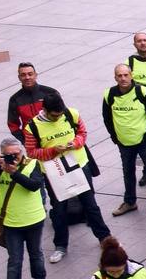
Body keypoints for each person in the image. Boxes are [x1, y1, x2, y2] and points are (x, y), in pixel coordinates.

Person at [23, 92, 111, 264]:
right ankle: (61, 245)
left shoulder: (72, 114)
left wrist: (75, 143)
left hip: (79, 164)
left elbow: (82, 133)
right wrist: (53, 150)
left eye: (60, 114)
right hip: (54, 171)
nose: (58, 117)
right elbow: (32, 152)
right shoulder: (32, 127)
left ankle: (104, 238)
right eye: (55, 115)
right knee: (59, 209)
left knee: (90, 204)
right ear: (45, 111)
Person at [0, 138, 51, 279]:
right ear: (2, 155)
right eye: (9, 155)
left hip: (34, 220)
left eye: (17, 154)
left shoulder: (32, 164)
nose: (13, 158)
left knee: (36, 254)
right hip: (10, 223)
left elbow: (34, 185)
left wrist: (14, 173)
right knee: (15, 260)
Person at [101, 63, 146, 217]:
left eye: (125, 75)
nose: (123, 78)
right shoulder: (109, 94)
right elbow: (107, 118)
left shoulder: (143, 92)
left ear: (131, 75)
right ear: (115, 77)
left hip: (143, 142)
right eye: (119, 75)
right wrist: (115, 137)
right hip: (124, 143)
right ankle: (130, 202)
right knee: (127, 172)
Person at [7, 61, 59, 138]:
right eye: (23, 75)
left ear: (36, 75)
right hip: (32, 141)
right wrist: (24, 140)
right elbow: (13, 124)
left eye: (30, 74)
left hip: (53, 137)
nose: (27, 77)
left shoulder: (50, 92)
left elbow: (62, 113)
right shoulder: (15, 99)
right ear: (19, 78)